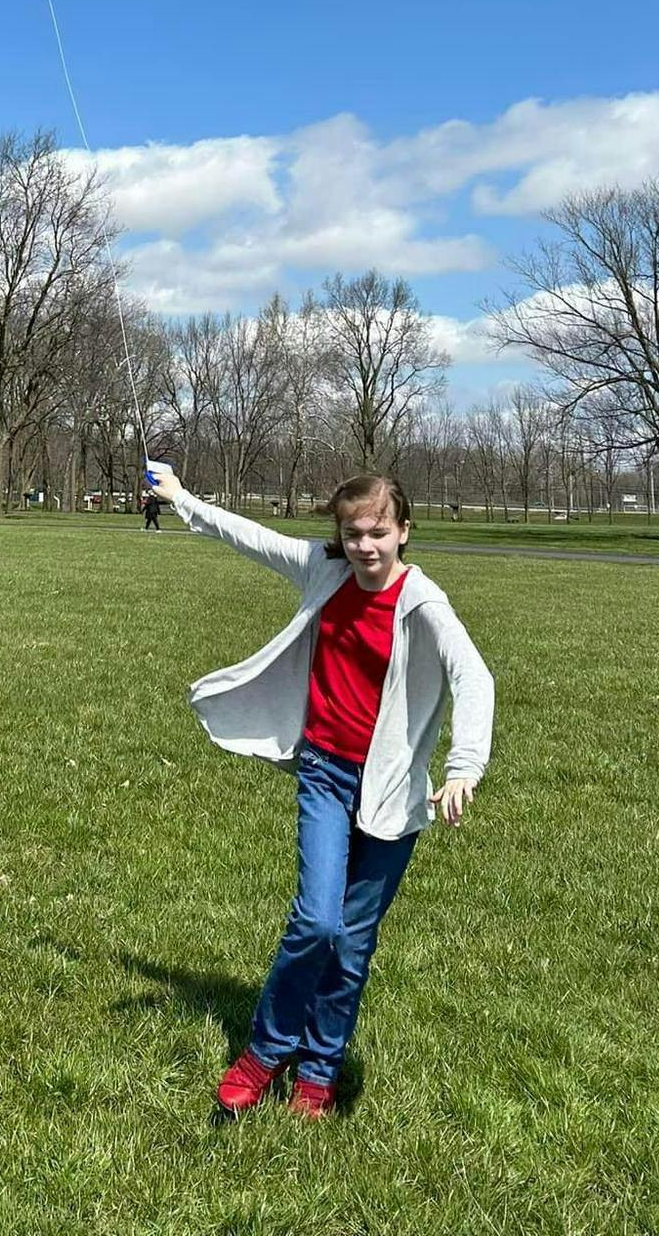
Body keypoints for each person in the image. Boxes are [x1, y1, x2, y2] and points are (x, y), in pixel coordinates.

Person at [144, 463, 494, 1119]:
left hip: (391, 791)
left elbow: (474, 677)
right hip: (326, 774)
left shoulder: (423, 602)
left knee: (353, 945)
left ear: (403, 532)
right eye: (353, 532)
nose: (365, 545)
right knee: (317, 920)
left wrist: (463, 767)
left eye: (378, 533)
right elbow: (249, 536)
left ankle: (319, 1071)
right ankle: (263, 1052)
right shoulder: (325, 571)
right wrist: (183, 499)